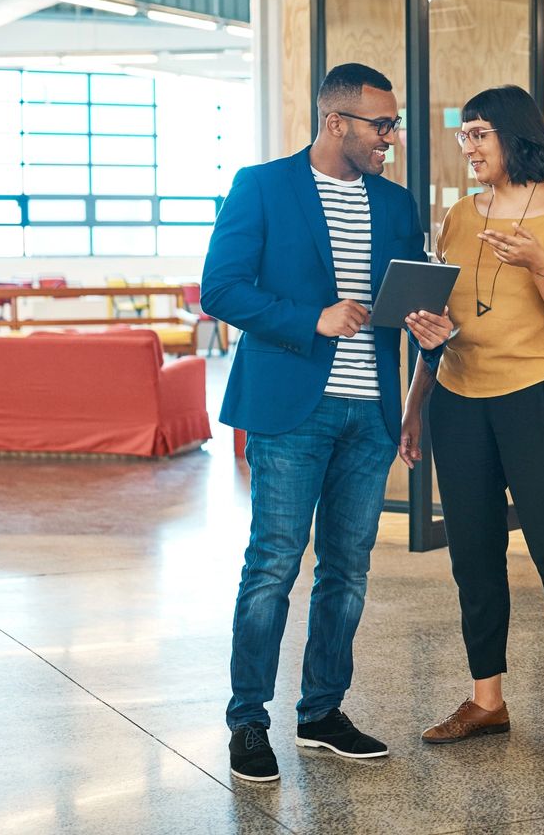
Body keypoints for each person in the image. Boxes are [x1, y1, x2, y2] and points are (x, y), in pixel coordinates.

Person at [202, 63, 453, 783]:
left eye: (394, 125)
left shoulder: (396, 203)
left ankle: (321, 713)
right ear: (336, 121)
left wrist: (420, 363)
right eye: (382, 125)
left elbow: (404, 302)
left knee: (347, 573)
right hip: (290, 411)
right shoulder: (264, 186)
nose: (391, 139)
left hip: (369, 414)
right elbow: (220, 288)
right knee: (273, 567)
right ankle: (248, 720)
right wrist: (308, 320)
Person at [400, 84, 544, 770]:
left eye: (479, 135)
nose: (467, 148)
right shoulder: (460, 217)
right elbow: (449, 319)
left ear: (516, 137)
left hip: (535, 394)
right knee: (473, 552)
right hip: (458, 396)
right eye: (463, 135)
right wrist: (415, 398)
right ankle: (486, 700)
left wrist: (541, 266)